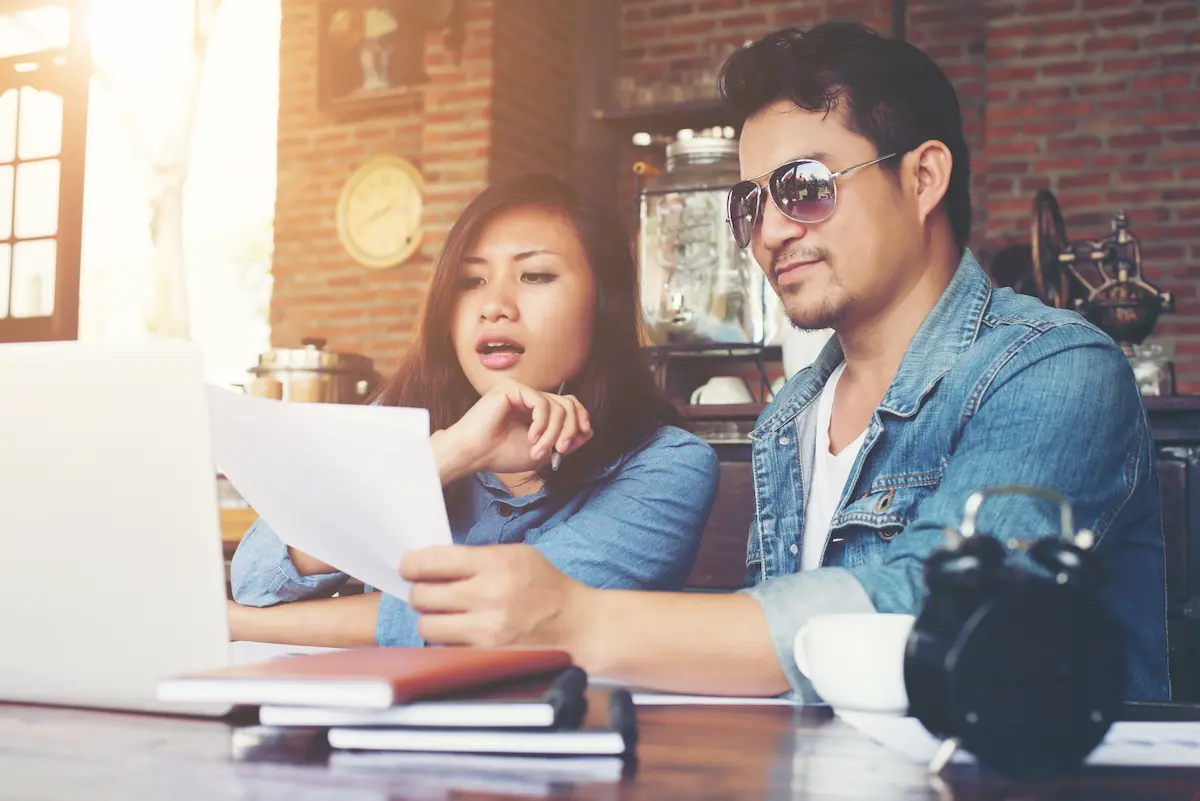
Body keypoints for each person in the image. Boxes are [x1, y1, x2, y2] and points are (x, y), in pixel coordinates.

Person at [398, 22, 1171, 702]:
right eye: (749, 203)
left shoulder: (1055, 368)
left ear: (924, 177)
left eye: (804, 188)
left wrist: (579, 618)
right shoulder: (792, 414)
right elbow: (782, 669)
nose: (768, 231)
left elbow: (939, 611)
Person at [227, 173, 721, 647]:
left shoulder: (668, 466)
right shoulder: (397, 420)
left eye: (536, 275)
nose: (494, 306)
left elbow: (503, 619)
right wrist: (446, 456)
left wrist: (245, 627)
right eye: (471, 281)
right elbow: (258, 575)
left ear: (604, 304)